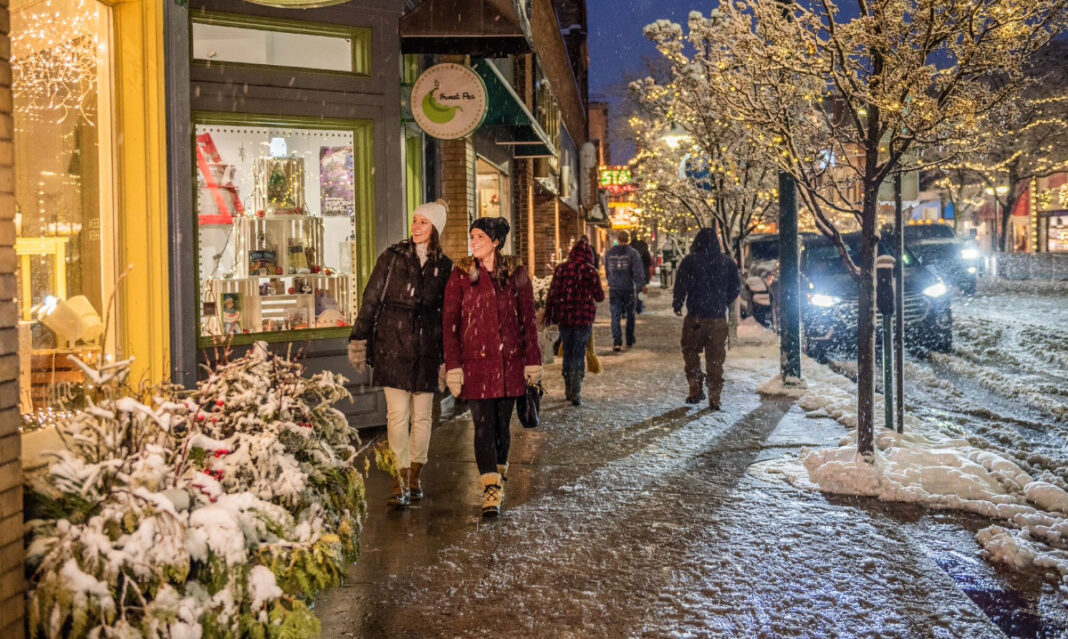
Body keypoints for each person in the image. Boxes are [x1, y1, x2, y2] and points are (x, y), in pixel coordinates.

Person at [348, 201, 453, 507]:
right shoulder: (392, 257)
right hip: (392, 344)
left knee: (422, 417)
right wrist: (360, 337)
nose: (416, 227)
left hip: (428, 350)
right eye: (415, 221)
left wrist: (449, 357)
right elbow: (371, 298)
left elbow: (449, 316)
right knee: (397, 415)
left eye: (423, 222)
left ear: (435, 229)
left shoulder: (445, 267)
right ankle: (399, 475)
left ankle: (414, 476)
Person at [442, 217, 542, 517]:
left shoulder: (515, 273)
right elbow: (450, 324)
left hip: (510, 363)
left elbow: (528, 319)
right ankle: (490, 487)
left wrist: (533, 361)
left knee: (501, 427)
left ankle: (499, 473)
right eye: (471, 235)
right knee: (482, 426)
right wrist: (453, 366)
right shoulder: (461, 274)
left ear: (496, 241)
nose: (473, 241)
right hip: (476, 365)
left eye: (480, 236)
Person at [672, 228, 741, 410]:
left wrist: (678, 304)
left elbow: (680, 284)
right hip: (717, 318)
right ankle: (715, 395)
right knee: (716, 358)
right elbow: (735, 287)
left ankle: (695, 386)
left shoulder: (690, 262)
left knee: (691, 351)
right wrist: (722, 301)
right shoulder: (726, 263)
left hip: (695, 317)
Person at [544, 239, 604, 405]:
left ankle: (568, 387)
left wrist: (552, 313)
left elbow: (553, 293)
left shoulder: (561, 269)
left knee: (568, 352)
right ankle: (576, 389)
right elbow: (599, 296)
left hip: (565, 317)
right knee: (578, 352)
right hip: (583, 318)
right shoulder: (590, 271)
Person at [604, 230, 647, 352]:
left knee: (615, 315)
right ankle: (628, 339)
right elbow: (638, 271)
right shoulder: (633, 253)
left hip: (615, 289)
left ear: (617, 239)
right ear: (627, 240)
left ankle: (617, 341)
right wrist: (641, 285)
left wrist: (612, 281)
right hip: (628, 288)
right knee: (630, 314)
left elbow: (608, 271)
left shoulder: (610, 253)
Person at [630, 234, 654, 313]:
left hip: (632, 271)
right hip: (642, 271)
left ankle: (631, 304)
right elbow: (648, 261)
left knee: (631, 289)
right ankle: (639, 307)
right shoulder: (644, 247)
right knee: (640, 289)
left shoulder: (630, 248)